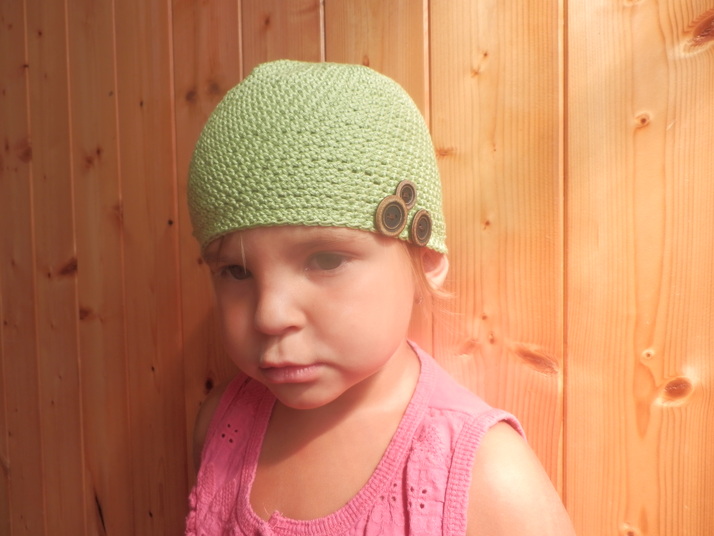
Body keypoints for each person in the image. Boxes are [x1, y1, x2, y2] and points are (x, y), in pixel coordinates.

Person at [185, 60, 575, 536]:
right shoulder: (222, 427)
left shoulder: (486, 478)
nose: (270, 314)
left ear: (425, 259)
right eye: (236, 270)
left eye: (326, 260)